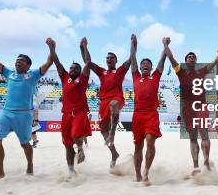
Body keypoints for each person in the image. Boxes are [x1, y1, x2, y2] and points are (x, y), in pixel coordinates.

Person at [0, 34, 53, 181]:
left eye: (21, 61)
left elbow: (49, 61)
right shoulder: (9, 73)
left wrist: (52, 48)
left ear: (28, 65)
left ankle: (30, 165)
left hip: (24, 115)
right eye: (16, 61)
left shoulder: (33, 75)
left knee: (25, 144)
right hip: (6, 113)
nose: (17, 63)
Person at [164, 41, 218, 175]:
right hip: (187, 109)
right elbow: (170, 56)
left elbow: (214, 62)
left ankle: (206, 163)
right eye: (189, 57)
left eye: (193, 57)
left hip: (201, 107)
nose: (191, 58)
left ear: (195, 61)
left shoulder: (201, 71)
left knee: (204, 135)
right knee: (192, 138)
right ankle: (196, 166)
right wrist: (165, 44)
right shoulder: (180, 71)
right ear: (185, 61)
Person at [80, 37, 130, 168]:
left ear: (116, 60)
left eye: (111, 58)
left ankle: (113, 133)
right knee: (103, 131)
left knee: (114, 104)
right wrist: (84, 47)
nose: (109, 59)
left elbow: (131, 59)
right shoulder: (102, 71)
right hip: (103, 102)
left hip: (117, 97)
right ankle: (114, 153)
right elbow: (87, 63)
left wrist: (133, 44)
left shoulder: (120, 70)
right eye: (107, 58)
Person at [48, 38, 92, 174]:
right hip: (66, 115)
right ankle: (71, 170)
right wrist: (52, 48)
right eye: (71, 68)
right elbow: (56, 62)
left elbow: (88, 62)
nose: (72, 69)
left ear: (79, 71)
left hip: (79, 113)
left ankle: (80, 148)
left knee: (75, 134)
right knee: (67, 145)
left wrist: (84, 47)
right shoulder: (64, 77)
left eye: (75, 68)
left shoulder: (83, 79)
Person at [130, 34, 167, 184]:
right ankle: (138, 174)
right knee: (138, 147)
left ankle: (146, 171)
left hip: (151, 114)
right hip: (137, 115)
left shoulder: (156, 76)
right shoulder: (135, 76)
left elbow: (162, 60)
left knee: (150, 142)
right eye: (143, 64)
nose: (145, 65)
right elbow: (132, 58)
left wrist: (165, 45)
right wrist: (132, 43)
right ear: (139, 67)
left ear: (151, 68)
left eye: (147, 64)